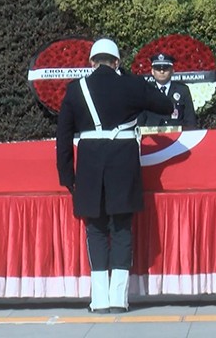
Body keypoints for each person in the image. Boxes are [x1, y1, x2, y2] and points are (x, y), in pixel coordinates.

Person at [56, 38, 173, 314]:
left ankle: (99, 299)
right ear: (117, 62)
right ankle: (119, 299)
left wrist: (66, 175)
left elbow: (63, 137)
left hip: (89, 165)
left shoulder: (76, 89)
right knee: (121, 228)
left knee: (95, 229)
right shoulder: (131, 85)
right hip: (123, 162)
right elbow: (165, 106)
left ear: (91, 62)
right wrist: (130, 79)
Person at [137, 53, 197, 129]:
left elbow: (190, 120)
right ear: (152, 71)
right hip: (153, 136)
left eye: (165, 68)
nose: (162, 72)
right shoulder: (146, 90)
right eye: (158, 69)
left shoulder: (182, 90)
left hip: (177, 137)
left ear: (172, 71)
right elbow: (140, 119)